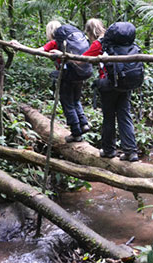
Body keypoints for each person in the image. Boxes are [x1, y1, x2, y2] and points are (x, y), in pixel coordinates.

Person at [82, 18, 140, 162]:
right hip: (125, 83)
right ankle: (131, 151)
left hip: (108, 85)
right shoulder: (124, 43)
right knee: (124, 115)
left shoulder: (99, 44)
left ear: (89, 32)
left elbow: (82, 59)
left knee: (108, 117)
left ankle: (108, 150)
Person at [40, 20, 91, 144]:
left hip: (67, 75)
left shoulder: (54, 43)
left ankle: (76, 133)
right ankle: (83, 124)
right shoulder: (70, 41)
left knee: (67, 103)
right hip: (79, 73)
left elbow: (40, 51)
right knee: (75, 100)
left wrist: (18, 45)